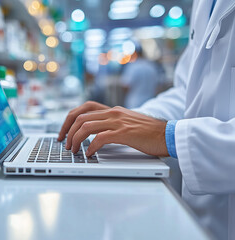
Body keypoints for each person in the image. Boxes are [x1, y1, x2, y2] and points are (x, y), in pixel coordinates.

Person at [57, 0, 235, 239]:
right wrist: (137, 119)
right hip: (204, 217)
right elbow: (189, 92)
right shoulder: (204, 4)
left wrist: (168, 135)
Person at [120, 45, 159, 109]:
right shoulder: (151, 66)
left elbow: (126, 86)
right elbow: (157, 86)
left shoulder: (133, 67)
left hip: (134, 103)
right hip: (150, 102)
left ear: (135, 53)